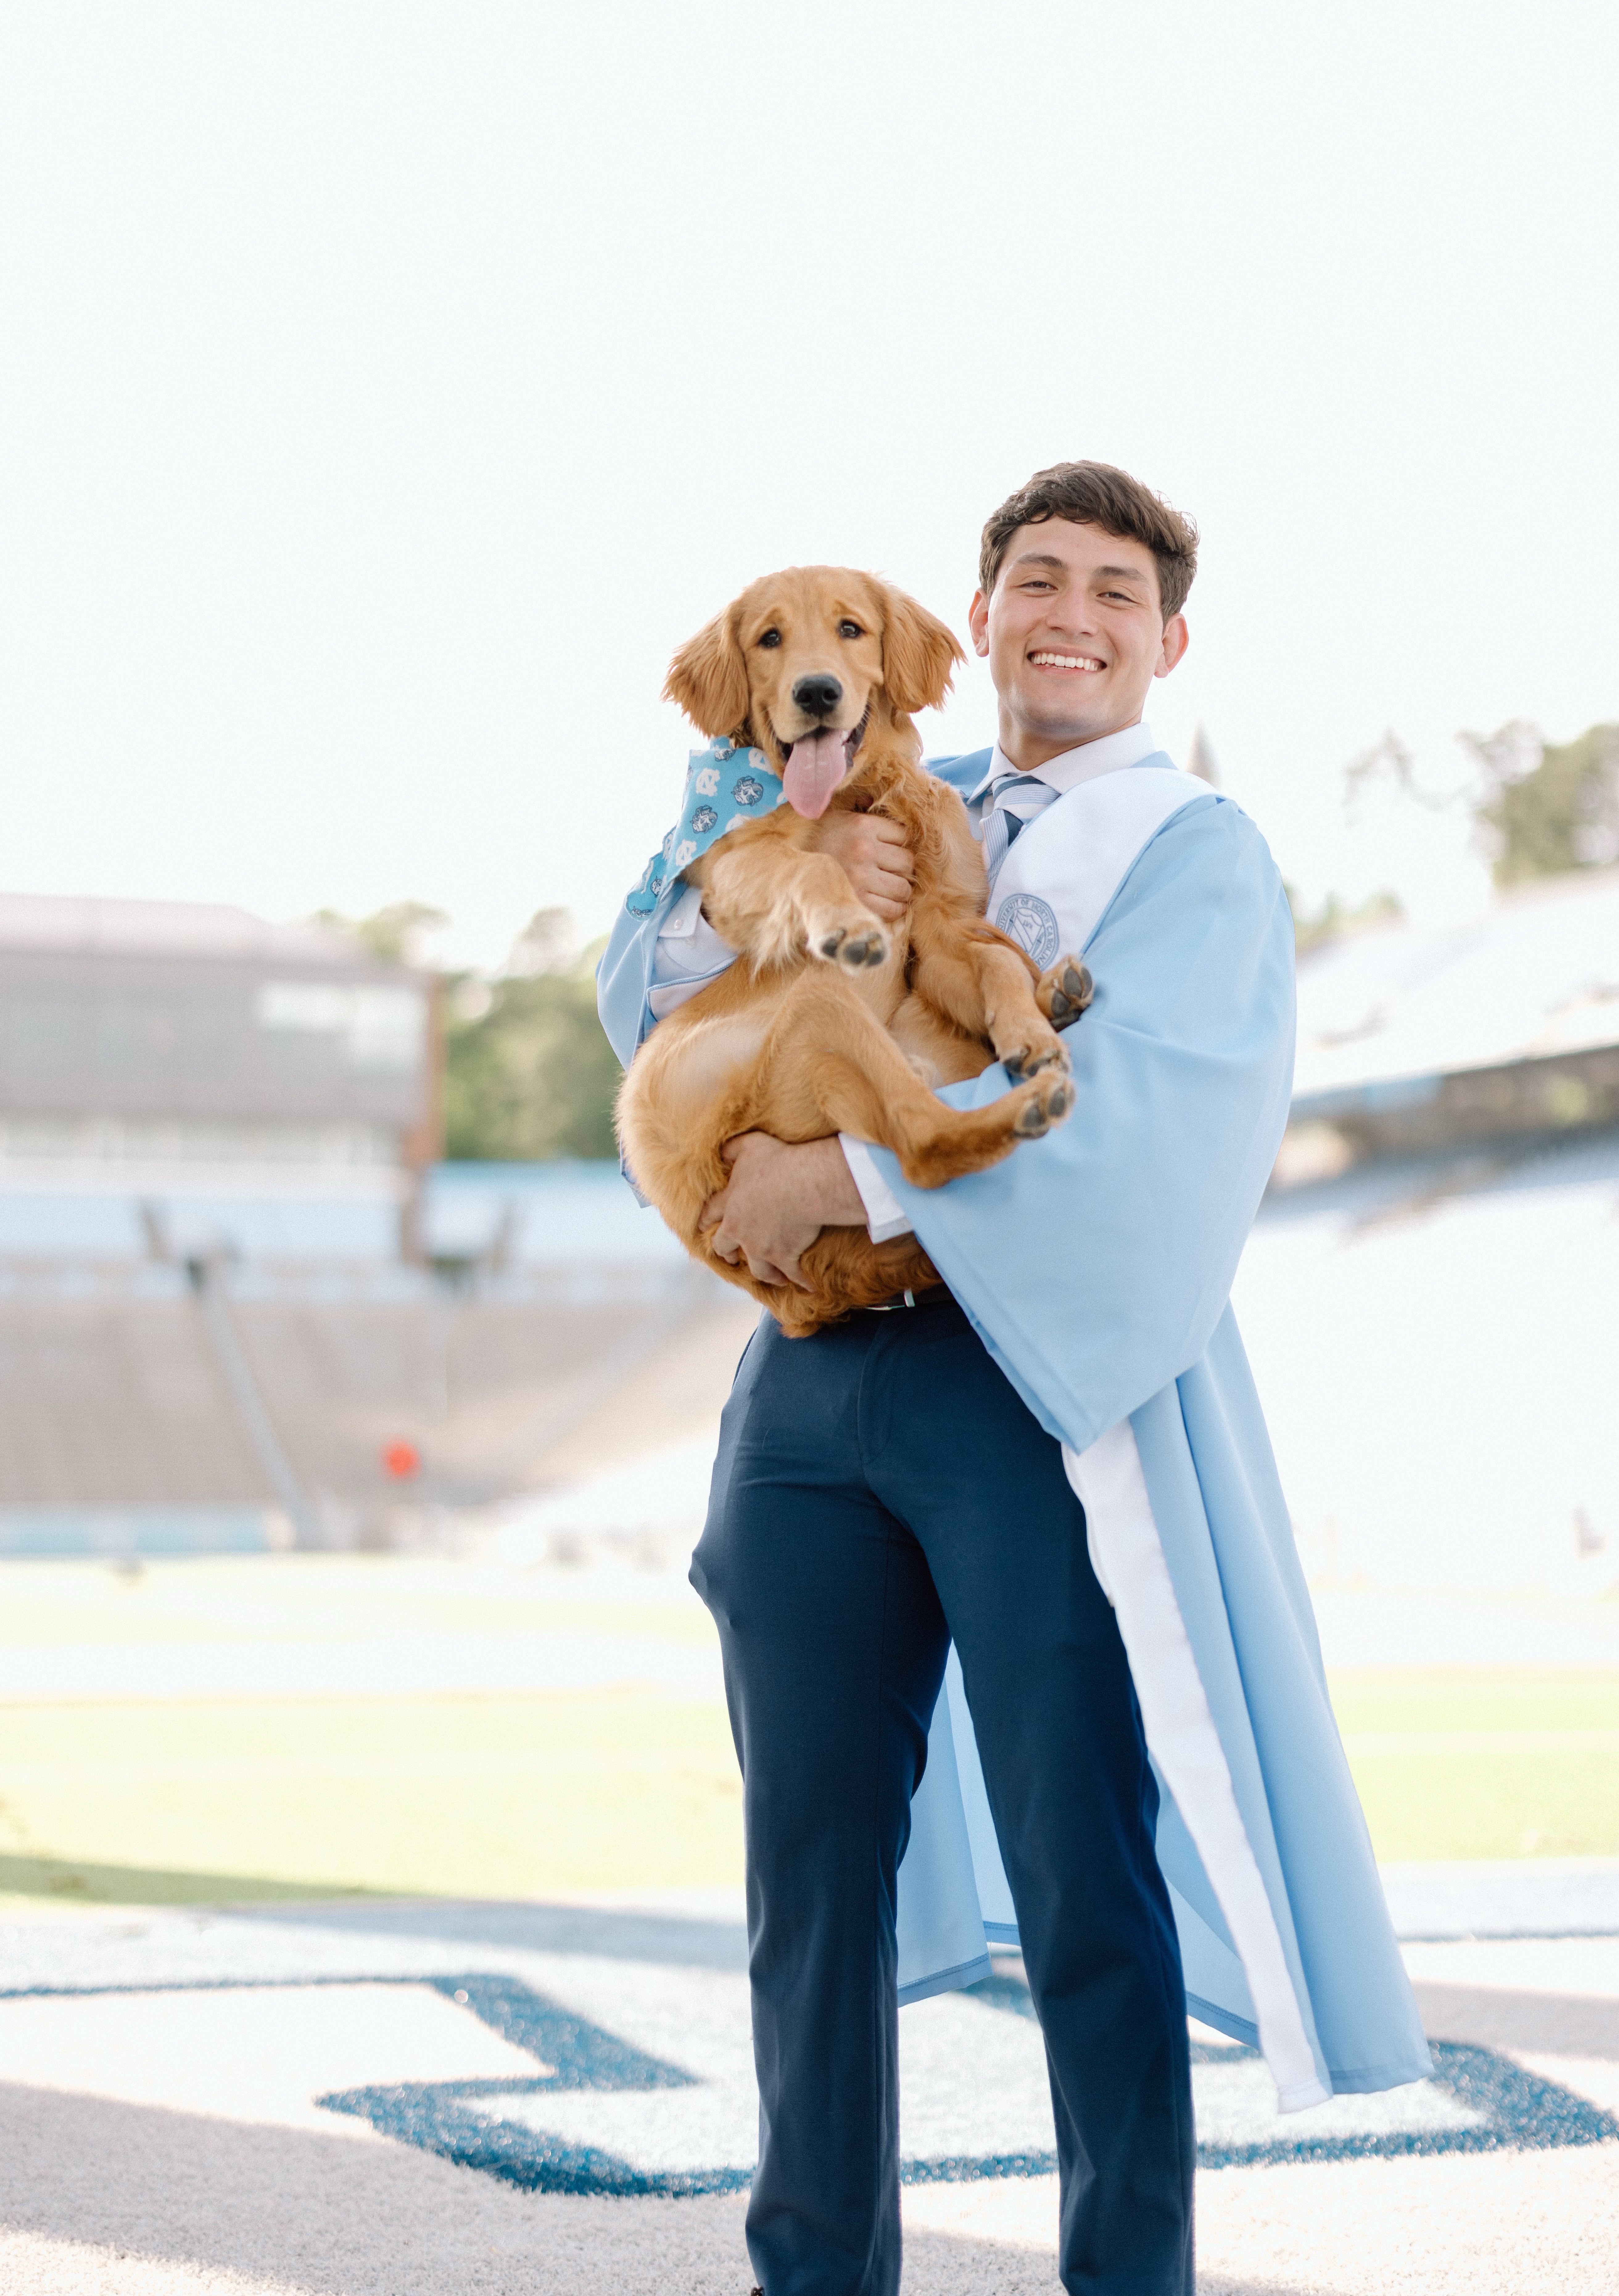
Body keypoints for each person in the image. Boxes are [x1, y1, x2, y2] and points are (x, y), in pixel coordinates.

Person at [596, 462, 1427, 2296]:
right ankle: (814, 2272)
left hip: (1026, 1395)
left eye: (1116, 592)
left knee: (1082, 1870)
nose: (1072, 615)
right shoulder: (865, 785)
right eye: (1037, 580)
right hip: (808, 1390)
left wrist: (839, 1178)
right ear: (972, 622)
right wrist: (793, 887)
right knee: (807, 1875)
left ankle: (1125, 2273)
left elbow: (1147, 1126)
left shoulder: (1191, 850)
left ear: (1167, 642)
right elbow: (639, 984)